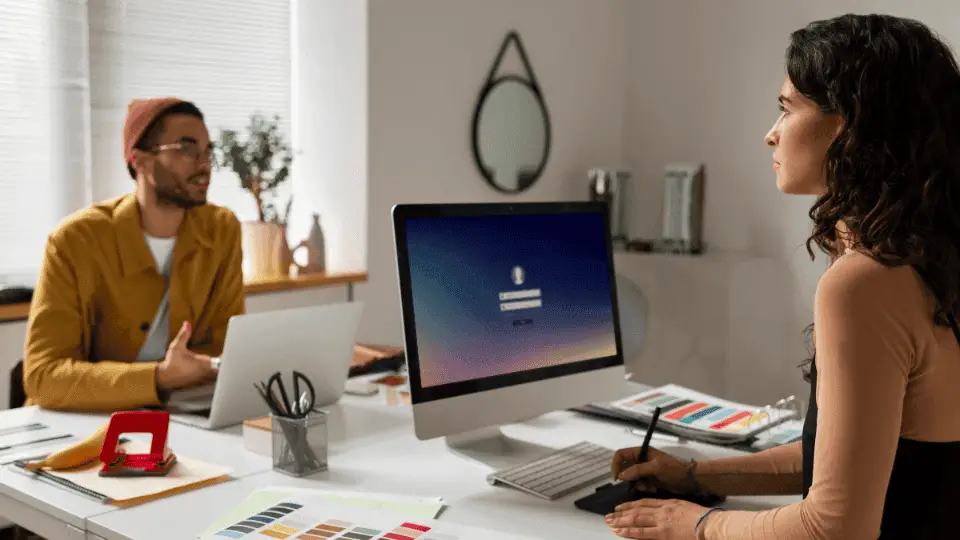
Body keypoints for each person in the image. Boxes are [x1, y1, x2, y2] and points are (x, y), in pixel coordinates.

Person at [606, 13, 960, 540]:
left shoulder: (864, 285)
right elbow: (857, 461)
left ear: (850, 124)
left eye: (787, 108)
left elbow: (835, 526)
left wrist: (694, 525)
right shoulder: (929, 265)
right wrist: (693, 475)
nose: (771, 134)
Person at [22, 97, 245, 412]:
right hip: (82, 421)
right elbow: (44, 376)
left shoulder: (222, 229)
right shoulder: (74, 239)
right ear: (139, 160)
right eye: (186, 149)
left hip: (181, 414)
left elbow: (226, 349)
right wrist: (158, 377)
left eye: (208, 151)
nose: (204, 164)